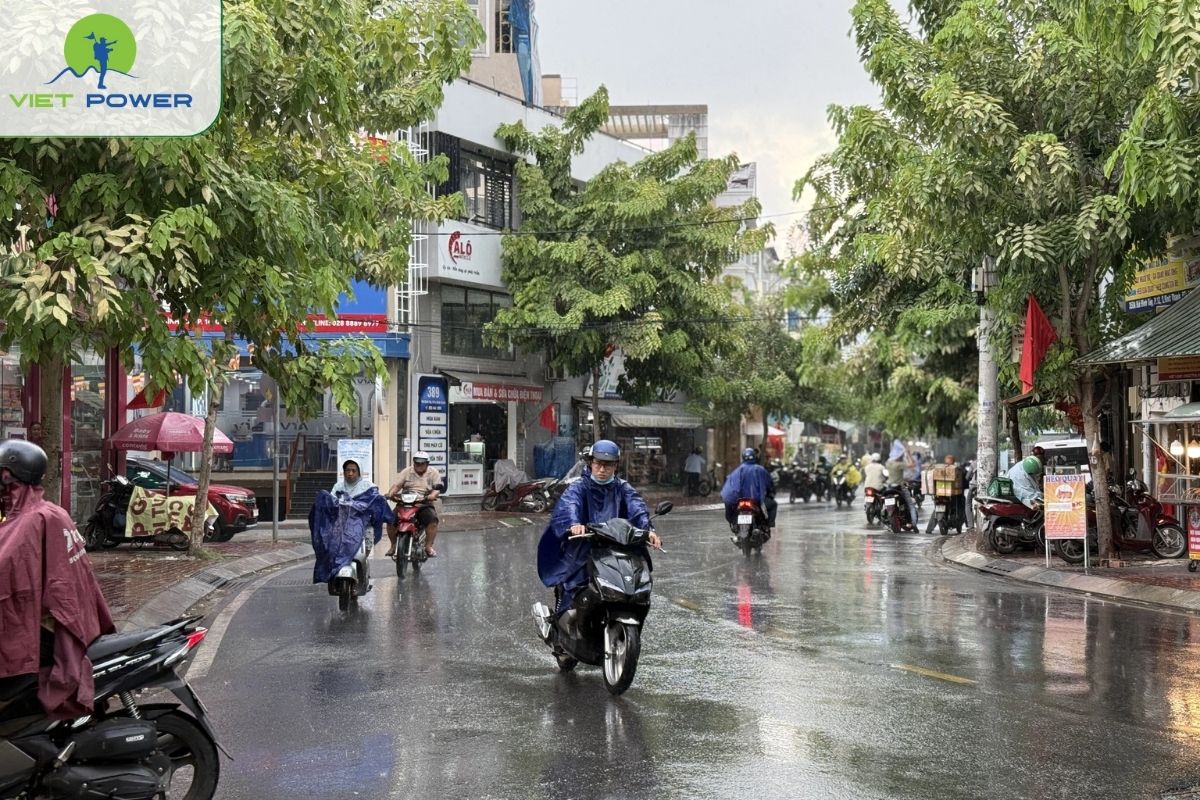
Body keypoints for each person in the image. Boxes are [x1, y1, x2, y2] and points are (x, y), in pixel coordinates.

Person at [0, 440, 115, 720]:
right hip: (71, 623)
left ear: (7, 477)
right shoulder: (52, 512)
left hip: (45, 630)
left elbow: (12, 580)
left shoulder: (29, 523)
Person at [537, 440, 659, 617]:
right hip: (585, 545)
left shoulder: (623, 488)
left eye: (608, 465)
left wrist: (648, 530)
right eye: (598, 464)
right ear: (591, 463)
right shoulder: (579, 487)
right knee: (574, 582)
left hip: (617, 546)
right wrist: (574, 524)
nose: (602, 470)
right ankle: (559, 620)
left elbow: (637, 508)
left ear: (615, 466)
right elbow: (570, 504)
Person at [386, 452, 444, 557]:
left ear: (427, 464)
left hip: (423, 503)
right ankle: (393, 545)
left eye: (422, 463)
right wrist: (390, 493)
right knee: (390, 520)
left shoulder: (433, 473)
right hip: (405, 502)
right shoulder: (407, 472)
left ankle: (428, 546)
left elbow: (436, 489)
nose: (419, 466)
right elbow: (397, 486)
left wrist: (432, 495)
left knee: (433, 521)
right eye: (417, 463)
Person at [721, 448, 778, 536]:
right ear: (754, 457)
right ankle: (768, 526)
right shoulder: (760, 469)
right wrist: (771, 492)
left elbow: (729, 487)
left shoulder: (738, 471)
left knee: (729, 506)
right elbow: (769, 483)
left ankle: (734, 524)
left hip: (739, 500)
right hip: (757, 499)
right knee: (773, 505)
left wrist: (728, 498)